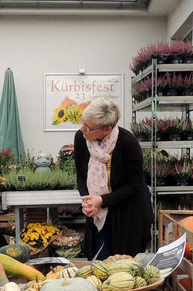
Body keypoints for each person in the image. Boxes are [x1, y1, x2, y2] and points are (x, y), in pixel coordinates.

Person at [74, 97, 153, 260]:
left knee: (124, 264)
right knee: (99, 261)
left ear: (106, 130)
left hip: (129, 213)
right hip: (98, 212)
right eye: (83, 123)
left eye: (88, 127)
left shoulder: (127, 142)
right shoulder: (81, 139)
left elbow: (135, 185)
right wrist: (88, 201)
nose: (83, 129)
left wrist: (101, 200)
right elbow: (81, 177)